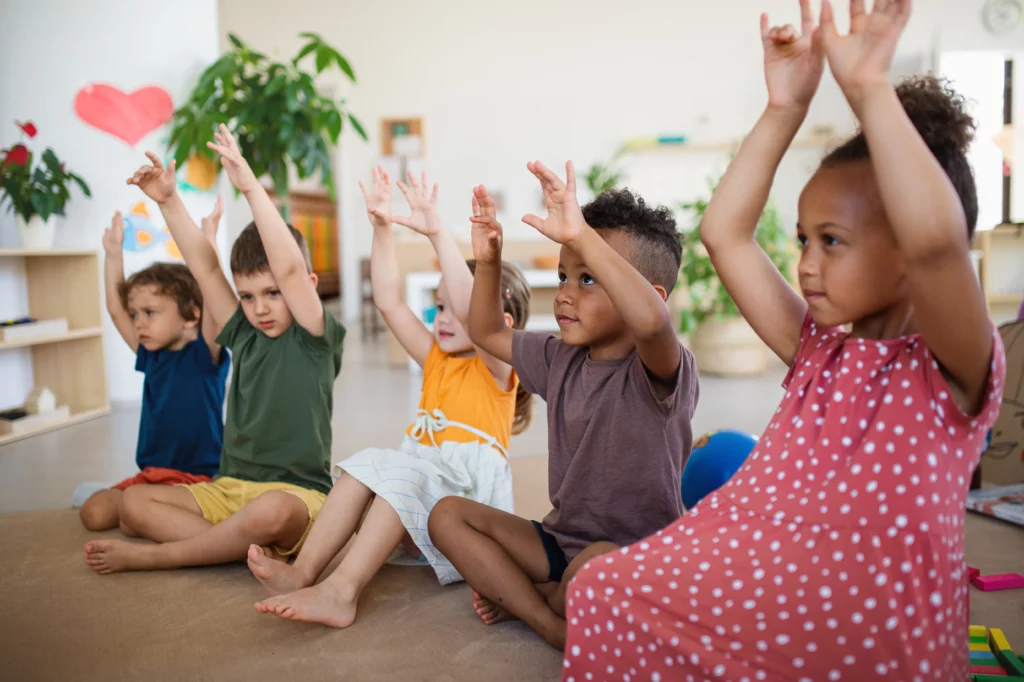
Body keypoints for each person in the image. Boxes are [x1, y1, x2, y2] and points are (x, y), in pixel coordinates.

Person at [561, 2, 1006, 680]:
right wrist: (782, 109)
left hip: (879, 636)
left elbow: (939, 242)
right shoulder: (818, 350)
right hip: (777, 576)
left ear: (907, 253)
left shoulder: (954, 370)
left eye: (832, 241)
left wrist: (870, 91)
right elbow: (725, 235)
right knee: (594, 580)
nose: (805, 262)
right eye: (803, 239)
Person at [248, 168, 532, 629]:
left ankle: (341, 592)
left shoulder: (500, 368)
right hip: (418, 505)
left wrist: (440, 232)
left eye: (451, 308)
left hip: (466, 516)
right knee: (367, 464)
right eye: (438, 306)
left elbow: (471, 312)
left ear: (500, 322)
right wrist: (382, 230)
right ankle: (302, 572)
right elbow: (390, 302)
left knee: (399, 473)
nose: (443, 316)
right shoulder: (437, 357)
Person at [428, 171, 698, 650]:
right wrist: (489, 262)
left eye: (588, 278)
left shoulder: (660, 369)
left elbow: (654, 326)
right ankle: (547, 618)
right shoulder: (559, 358)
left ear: (648, 294)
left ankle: (525, 598)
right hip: (560, 540)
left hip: (634, 556)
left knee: (595, 564)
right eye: (563, 276)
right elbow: (487, 332)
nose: (566, 294)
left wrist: (582, 237)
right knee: (446, 515)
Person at [84, 125, 345, 574]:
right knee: (135, 505)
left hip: (296, 493)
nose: (259, 308)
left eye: (273, 293)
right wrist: (167, 201)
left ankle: (166, 555)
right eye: (247, 296)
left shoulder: (315, 335)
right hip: (228, 488)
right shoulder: (243, 332)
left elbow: (287, 268)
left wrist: (249, 187)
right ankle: (238, 547)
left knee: (269, 514)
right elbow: (204, 267)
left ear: (306, 287)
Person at [78, 204, 229, 531]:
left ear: (191, 315)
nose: (139, 323)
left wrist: (209, 242)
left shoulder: (205, 356)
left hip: (200, 478)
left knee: (138, 520)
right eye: (136, 314)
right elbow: (116, 309)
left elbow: (213, 295)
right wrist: (113, 254)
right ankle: (149, 516)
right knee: (93, 513)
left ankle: (159, 520)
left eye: (150, 312)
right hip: (152, 475)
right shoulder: (151, 356)